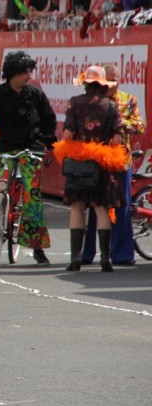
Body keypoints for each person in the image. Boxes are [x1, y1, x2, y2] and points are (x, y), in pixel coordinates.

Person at [0, 50, 56, 264]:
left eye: (29, 72)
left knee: (32, 196)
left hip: (30, 149)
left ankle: (37, 246)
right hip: (2, 149)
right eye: (25, 72)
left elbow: (49, 119)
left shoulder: (36, 95)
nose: (28, 76)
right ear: (13, 73)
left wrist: (46, 139)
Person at [57, 66, 124, 272]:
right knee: (101, 208)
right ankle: (105, 259)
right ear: (103, 84)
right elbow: (117, 139)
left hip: (79, 164)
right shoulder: (111, 106)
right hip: (101, 164)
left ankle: (75, 259)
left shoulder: (75, 103)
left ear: (86, 83)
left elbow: (67, 135)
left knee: (77, 207)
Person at [79, 63, 142, 266]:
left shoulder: (128, 100)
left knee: (121, 207)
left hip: (120, 161)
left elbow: (139, 125)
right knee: (93, 207)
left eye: (116, 80)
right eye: (109, 80)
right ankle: (87, 253)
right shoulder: (94, 102)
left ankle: (121, 254)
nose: (112, 84)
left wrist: (121, 124)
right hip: (95, 160)